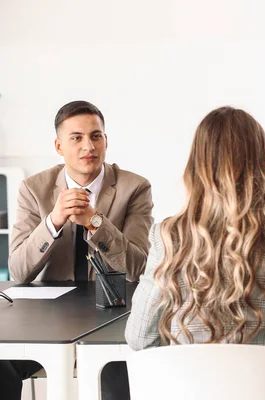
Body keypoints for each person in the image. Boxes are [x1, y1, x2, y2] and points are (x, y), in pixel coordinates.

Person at [125, 106, 265, 353]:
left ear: (196, 165)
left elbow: (139, 338)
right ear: (263, 162)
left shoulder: (167, 237)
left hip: (192, 390)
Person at [1, 100, 154, 400]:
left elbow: (138, 266)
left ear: (106, 141)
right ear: (59, 146)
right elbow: (18, 269)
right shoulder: (34, 188)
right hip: (45, 320)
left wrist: (95, 222)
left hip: (113, 316)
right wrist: (53, 221)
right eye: (77, 138)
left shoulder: (134, 187)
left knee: (119, 378)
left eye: (96, 136)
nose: (89, 146)